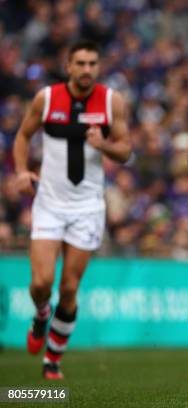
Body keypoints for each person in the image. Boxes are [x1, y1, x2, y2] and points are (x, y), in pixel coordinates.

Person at [12, 39, 131, 379]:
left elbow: (125, 150)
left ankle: (53, 359)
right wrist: (21, 172)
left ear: (98, 67)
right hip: (49, 204)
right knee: (41, 282)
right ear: (68, 67)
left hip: (87, 207)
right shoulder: (47, 98)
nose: (86, 70)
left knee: (68, 287)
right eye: (80, 63)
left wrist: (103, 144)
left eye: (92, 63)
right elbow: (22, 136)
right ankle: (40, 313)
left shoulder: (111, 101)